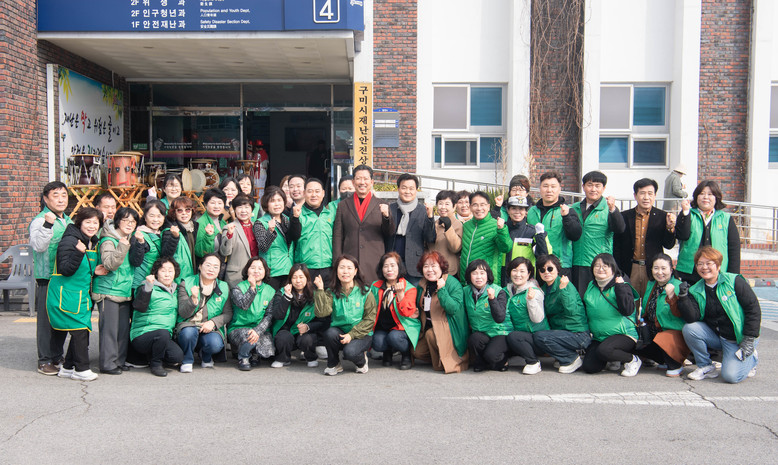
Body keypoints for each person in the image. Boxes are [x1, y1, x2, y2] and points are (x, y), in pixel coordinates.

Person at [678, 246, 760, 383]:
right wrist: (683, 297)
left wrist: (749, 339)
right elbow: (693, 318)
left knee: (731, 377)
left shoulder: (734, 281)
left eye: (709, 263)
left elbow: (753, 309)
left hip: (740, 338)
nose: (704, 267)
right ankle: (705, 366)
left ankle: (751, 358)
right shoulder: (695, 289)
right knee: (690, 328)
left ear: (718, 265)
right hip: (719, 337)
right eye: (700, 264)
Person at [47, 208, 108, 381]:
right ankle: (81, 368)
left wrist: (93, 271)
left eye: (95, 223)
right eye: (88, 222)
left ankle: (68, 367)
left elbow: (81, 268)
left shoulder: (90, 241)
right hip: (66, 294)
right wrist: (78, 252)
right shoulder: (70, 240)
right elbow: (65, 269)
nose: (92, 226)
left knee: (82, 329)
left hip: (80, 295)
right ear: (79, 222)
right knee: (80, 331)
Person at [30, 181, 72, 375]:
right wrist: (48, 224)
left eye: (64, 195)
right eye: (56, 195)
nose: (61, 199)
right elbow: (38, 246)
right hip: (47, 277)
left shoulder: (67, 220)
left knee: (60, 318)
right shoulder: (40, 220)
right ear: (46, 199)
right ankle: (44, 360)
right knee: (46, 322)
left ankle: (56, 356)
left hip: (65, 277)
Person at [92, 207, 139, 375]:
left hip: (123, 290)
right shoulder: (109, 240)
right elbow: (109, 264)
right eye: (126, 220)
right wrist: (122, 247)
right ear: (118, 221)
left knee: (122, 329)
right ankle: (107, 363)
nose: (129, 224)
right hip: (108, 290)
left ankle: (119, 361)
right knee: (109, 330)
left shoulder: (129, 238)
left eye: (133, 221)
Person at [613, 178, 677, 297]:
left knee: (651, 302)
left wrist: (670, 228)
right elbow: (617, 245)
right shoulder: (624, 216)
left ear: (655, 195)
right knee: (630, 301)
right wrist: (618, 270)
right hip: (630, 268)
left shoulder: (663, 216)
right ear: (635, 195)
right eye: (642, 193)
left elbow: (668, 245)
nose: (646, 197)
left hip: (653, 268)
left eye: (650, 193)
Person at [314, 255, 376, 375]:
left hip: (361, 334)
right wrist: (320, 290)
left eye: (349, 268)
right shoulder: (331, 292)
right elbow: (322, 313)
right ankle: (334, 364)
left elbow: (369, 319)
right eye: (342, 267)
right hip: (340, 332)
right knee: (329, 333)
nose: (345, 271)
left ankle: (361, 361)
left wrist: (351, 335)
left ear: (355, 271)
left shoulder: (365, 291)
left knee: (350, 352)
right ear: (336, 271)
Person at [581, 253, 642, 376]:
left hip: (623, 334)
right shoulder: (591, 286)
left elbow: (628, 310)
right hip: (600, 337)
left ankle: (632, 360)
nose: (601, 269)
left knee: (604, 350)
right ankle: (613, 358)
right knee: (589, 367)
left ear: (613, 268)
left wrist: (620, 287)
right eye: (597, 266)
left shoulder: (621, 285)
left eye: (605, 266)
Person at [332, 165, 394, 283]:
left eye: (365, 179)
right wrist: (337, 263)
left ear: (372, 182)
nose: (362, 182)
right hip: (350, 262)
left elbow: (389, 233)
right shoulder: (343, 205)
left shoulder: (382, 204)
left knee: (373, 293)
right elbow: (338, 236)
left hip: (374, 261)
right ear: (353, 182)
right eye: (358, 178)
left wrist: (386, 216)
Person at [570, 171, 625, 297]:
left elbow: (620, 228)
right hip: (577, 262)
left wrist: (613, 209)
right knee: (579, 299)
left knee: (598, 299)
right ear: (583, 186)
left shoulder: (608, 208)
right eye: (589, 185)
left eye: (597, 185)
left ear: (603, 188)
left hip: (600, 265)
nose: (593, 189)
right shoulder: (574, 208)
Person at [532, 254, 590, 374]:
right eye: (542, 270)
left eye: (550, 269)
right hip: (562, 332)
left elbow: (571, 310)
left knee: (540, 337)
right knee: (534, 336)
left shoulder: (565, 285)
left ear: (558, 269)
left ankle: (571, 359)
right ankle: (563, 356)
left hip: (577, 334)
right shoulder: (544, 288)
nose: (546, 272)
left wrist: (563, 289)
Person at [413, 251, 469, 373]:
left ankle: (441, 363)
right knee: (416, 352)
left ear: (441, 267)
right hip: (429, 326)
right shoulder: (422, 284)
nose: (430, 270)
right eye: (426, 266)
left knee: (431, 335)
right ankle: (441, 355)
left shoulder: (452, 283)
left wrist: (442, 290)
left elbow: (453, 309)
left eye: (433, 266)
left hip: (449, 328)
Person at [176, 253, 233, 372]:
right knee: (188, 334)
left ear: (219, 270)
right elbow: (183, 313)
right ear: (200, 266)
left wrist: (213, 322)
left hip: (209, 327)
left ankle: (205, 355)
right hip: (189, 324)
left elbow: (228, 313)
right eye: (208, 265)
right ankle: (187, 359)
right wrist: (193, 300)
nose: (211, 269)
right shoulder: (186, 283)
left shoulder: (223, 286)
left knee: (215, 344)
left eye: (216, 267)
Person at [635, 254, 690, 377]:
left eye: (663, 268)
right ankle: (662, 359)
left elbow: (681, 314)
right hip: (652, 330)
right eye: (656, 268)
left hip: (672, 332)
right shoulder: (651, 284)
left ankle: (676, 363)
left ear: (671, 269)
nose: (659, 272)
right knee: (631, 343)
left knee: (663, 339)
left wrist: (672, 296)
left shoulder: (679, 286)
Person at [675, 180, 740, 284]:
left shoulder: (725, 218)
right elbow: (682, 235)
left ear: (716, 198)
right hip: (690, 272)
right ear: (696, 197)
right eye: (702, 194)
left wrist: (733, 276)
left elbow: (734, 249)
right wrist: (685, 212)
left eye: (710, 194)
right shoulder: (687, 214)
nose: (705, 197)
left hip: (718, 273)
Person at [130, 257, 185, 377]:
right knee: (162, 333)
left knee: (177, 357)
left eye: (170, 271)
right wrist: (148, 287)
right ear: (156, 273)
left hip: (164, 337)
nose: (167, 274)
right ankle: (156, 364)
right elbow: (139, 306)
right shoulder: (147, 285)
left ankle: (150, 355)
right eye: (163, 271)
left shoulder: (176, 290)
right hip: (143, 335)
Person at [269, 264, 326, 369]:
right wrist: (286, 297)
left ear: (307, 278)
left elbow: (322, 320)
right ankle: (283, 358)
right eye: (294, 277)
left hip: (303, 333)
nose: (298, 281)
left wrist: (308, 327)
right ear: (290, 279)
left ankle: (311, 357)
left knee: (308, 338)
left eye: (301, 277)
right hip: (286, 331)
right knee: (283, 337)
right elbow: (278, 315)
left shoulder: (313, 295)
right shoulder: (282, 292)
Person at [526, 171, 582, 277]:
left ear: (559, 189)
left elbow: (575, 235)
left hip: (560, 265)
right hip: (536, 264)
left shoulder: (567, 210)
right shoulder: (531, 211)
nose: (549, 190)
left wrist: (566, 217)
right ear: (540, 188)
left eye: (553, 186)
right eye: (545, 186)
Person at [370, 252, 420, 370]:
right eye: (386, 266)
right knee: (377, 342)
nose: (389, 269)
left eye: (393, 265)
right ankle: (387, 351)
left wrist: (401, 294)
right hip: (383, 327)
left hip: (402, 327)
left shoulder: (409, 288)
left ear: (399, 268)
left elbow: (407, 313)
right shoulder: (375, 286)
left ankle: (406, 354)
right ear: (381, 269)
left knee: (394, 337)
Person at [228, 257, 277, 371]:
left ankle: (254, 353)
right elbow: (244, 305)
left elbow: (269, 315)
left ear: (265, 271)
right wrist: (252, 288)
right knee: (249, 337)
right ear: (247, 270)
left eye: (260, 268)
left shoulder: (270, 291)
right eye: (253, 268)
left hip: (259, 329)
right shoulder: (238, 287)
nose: (256, 271)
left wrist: (258, 330)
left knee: (268, 345)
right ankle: (243, 356)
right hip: (239, 327)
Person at [386, 173, 435, 285]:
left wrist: (430, 217)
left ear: (416, 190)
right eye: (404, 188)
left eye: (411, 188)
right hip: (393, 262)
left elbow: (430, 238)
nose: (407, 191)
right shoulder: (390, 208)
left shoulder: (423, 210)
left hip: (414, 264)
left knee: (413, 295)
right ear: (398, 189)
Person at [464, 259, 510, 372]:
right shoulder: (465, 291)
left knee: (491, 355)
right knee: (473, 339)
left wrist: (492, 299)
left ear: (487, 275)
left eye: (482, 273)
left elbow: (500, 318)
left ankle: (503, 360)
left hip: (499, 332)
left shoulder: (498, 291)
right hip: (480, 332)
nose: (478, 277)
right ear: (469, 276)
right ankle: (481, 362)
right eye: (474, 273)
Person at [504, 257, 548, 375]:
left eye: (522, 271)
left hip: (536, 337)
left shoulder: (534, 291)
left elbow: (537, 319)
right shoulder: (506, 291)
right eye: (514, 270)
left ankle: (533, 362)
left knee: (514, 337)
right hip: (518, 336)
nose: (518, 274)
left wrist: (531, 300)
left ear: (529, 274)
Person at [253, 186, 301, 289]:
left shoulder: (288, 220)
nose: (277, 204)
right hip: (272, 272)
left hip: (288, 269)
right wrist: (270, 231)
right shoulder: (260, 223)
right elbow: (263, 247)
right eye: (272, 201)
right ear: (266, 204)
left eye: (279, 200)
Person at [459, 191, 512, 285]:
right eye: (475, 205)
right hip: (466, 281)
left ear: (488, 207)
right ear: (470, 207)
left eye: (482, 205)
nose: (479, 208)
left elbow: (506, 248)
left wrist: (502, 230)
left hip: (487, 282)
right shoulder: (466, 226)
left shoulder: (496, 225)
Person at [294, 178, 336, 283]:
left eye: (317, 191)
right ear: (304, 193)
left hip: (328, 266)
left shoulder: (330, 214)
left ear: (323, 193)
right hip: (306, 267)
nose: (314, 195)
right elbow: (293, 236)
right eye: (310, 191)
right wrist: (295, 218)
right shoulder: (298, 214)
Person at [501, 196, 550, 286]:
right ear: (508, 210)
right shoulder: (502, 229)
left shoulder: (532, 232)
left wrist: (540, 237)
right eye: (514, 208)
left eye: (521, 209)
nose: (517, 212)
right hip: (502, 276)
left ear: (526, 212)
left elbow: (543, 256)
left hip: (524, 279)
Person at [129, 200, 174, 292]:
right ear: (145, 217)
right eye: (152, 216)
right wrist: (140, 242)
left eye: (159, 216)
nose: (155, 220)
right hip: (141, 284)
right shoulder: (139, 234)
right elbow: (135, 261)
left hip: (156, 284)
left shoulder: (162, 234)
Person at [219, 194, 257, 288]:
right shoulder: (229, 227)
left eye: (247, 207)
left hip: (256, 274)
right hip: (236, 276)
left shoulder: (257, 226)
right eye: (239, 207)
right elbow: (225, 252)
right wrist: (229, 235)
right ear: (235, 210)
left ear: (252, 209)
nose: (243, 211)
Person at [161, 196, 198, 283]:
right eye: (180, 210)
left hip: (194, 273)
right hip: (179, 276)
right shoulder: (170, 229)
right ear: (174, 213)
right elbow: (165, 255)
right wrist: (174, 237)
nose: (184, 213)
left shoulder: (195, 226)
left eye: (187, 210)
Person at [427, 190, 463, 277]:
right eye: (440, 203)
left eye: (447, 204)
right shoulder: (434, 224)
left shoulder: (458, 225)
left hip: (449, 271)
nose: (443, 207)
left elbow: (456, 248)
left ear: (454, 207)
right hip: (432, 270)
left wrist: (448, 227)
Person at [194, 188, 227, 260]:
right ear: (206, 204)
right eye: (212, 203)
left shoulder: (222, 222)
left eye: (220, 203)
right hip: (207, 263)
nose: (216, 206)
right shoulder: (200, 223)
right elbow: (199, 251)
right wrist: (208, 236)